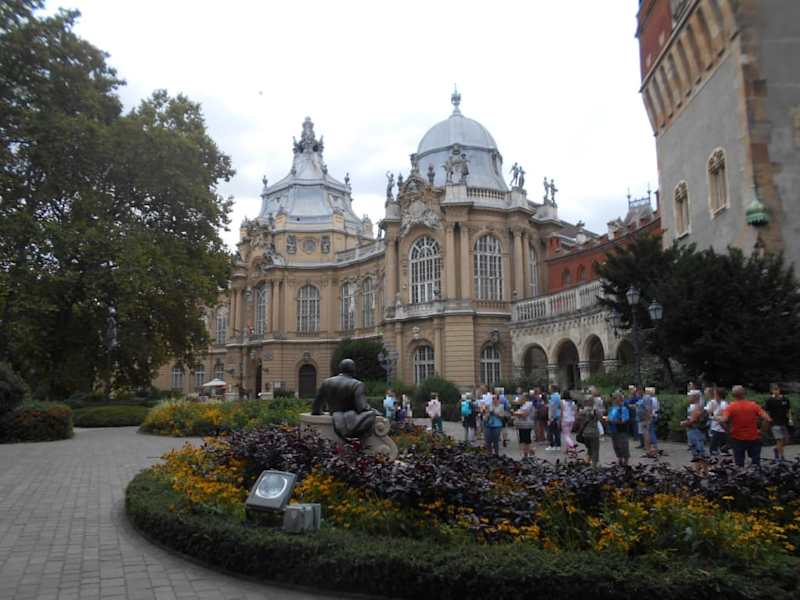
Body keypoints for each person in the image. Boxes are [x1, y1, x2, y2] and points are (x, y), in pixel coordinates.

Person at [718, 385, 771, 467]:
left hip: (737, 438)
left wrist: (728, 431)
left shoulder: (730, 407)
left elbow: (722, 420)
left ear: (733, 395)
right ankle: (756, 473)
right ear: (744, 393)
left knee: (739, 464)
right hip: (753, 437)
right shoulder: (754, 405)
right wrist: (762, 431)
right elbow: (767, 419)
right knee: (756, 463)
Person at [765, 384, 791, 461]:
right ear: (771, 391)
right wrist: (768, 420)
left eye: (777, 389)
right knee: (779, 439)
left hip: (784, 422)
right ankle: (781, 457)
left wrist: (790, 419)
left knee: (786, 440)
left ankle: (776, 449)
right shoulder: (769, 400)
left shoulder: (785, 399)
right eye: (774, 390)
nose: (776, 391)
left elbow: (788, 410)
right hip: (775, 423)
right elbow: (767, 411)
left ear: (779, 390)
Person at [681, 390, 707, 462]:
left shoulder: (698, 406)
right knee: (694, 447)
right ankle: (698, 464)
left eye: (690, 396)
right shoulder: (695, 406)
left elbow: (694, 419)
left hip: (695, 429)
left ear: (695, 397)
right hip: (693, 429)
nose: (688, 398)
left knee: (698, 448)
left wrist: (685, 423)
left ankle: (702, 465)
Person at [607, 392, 631, 466]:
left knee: (624, 445)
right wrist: (607, 419)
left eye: (615, 398)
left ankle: (626, 459)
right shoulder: (612, 408)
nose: (613, 400)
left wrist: (613, 421)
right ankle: (619, 458)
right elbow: (610, 417)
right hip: (613, 429)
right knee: (616, 445)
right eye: (613, 398)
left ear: (620, 399)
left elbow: (624, 420)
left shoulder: (623, 408)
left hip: (621, 430)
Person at [706, 387, 730, 456]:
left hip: (723, 427)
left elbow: (725, 416)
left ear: (719, 395)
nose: (714, 395)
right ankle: (714, 453)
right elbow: (708, 413)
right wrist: (714, 416)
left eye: (715, 394)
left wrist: (716, 417)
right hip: (715, 427)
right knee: (713, 443)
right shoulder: (712, 402)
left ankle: (723, 453)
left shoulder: (725, 403)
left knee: (723, 442)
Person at [578, 397, 601, 467]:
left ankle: (587, 462)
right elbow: (600, 417)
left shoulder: (583, 411)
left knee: (589, 449)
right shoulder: (595, 410)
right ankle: (594, 465)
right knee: (595, 450)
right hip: (594, 433)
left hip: (585, 434)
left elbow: (579, 418)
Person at [513, 392, 535, 458]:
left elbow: (525, 414)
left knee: (526, 441)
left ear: (525, 399)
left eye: (521, 398)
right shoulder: (523, 405)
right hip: (521, 425)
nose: (519, 400)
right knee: (523, 441)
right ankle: (528, 452)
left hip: (526, 425)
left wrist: (516, 414)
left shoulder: (528, 405)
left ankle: (527, 455)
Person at [546, 384, 561, 451]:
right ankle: (558, 445)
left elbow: (552, 408)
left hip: (553, 416)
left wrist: (551, 418)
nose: (549, 390)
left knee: (550, 431)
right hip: (558, 415)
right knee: (556, 431)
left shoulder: (553, 396)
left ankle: (551, 445)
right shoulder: (558, 396)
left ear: (552, 389)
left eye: (550, 388)